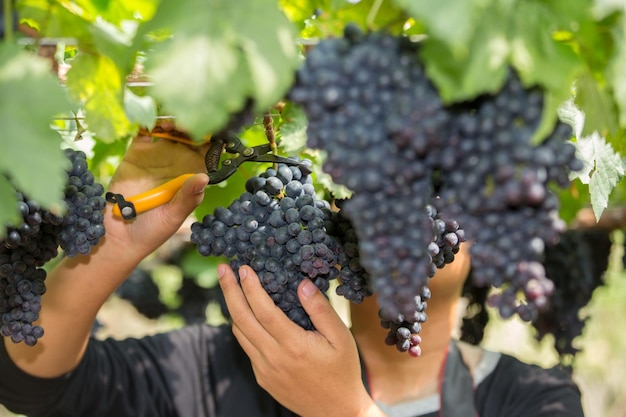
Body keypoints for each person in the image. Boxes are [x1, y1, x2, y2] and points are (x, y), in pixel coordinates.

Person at [0, 134, 585, 417]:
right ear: (333, 225)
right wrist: (115, 241)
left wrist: (344, 411)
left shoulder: (535, 401)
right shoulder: (227, 369)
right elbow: (33, 379)